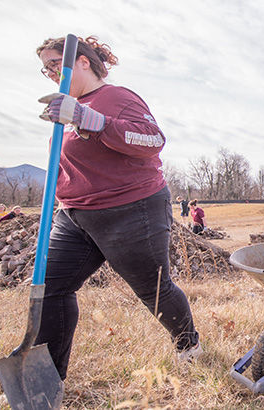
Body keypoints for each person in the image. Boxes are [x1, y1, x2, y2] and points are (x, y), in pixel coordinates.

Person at [34, 35, 201, 381]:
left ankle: (188, 344)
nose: (49, 72)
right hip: (74, 216)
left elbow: (152, 139)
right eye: (44, 67)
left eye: (54, 63)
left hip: (130, 209)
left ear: (82, 61)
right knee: (52, 289)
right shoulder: (66, 109)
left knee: (154, 290)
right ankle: (47, 379)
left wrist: (91, 120)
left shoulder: (115, 97)